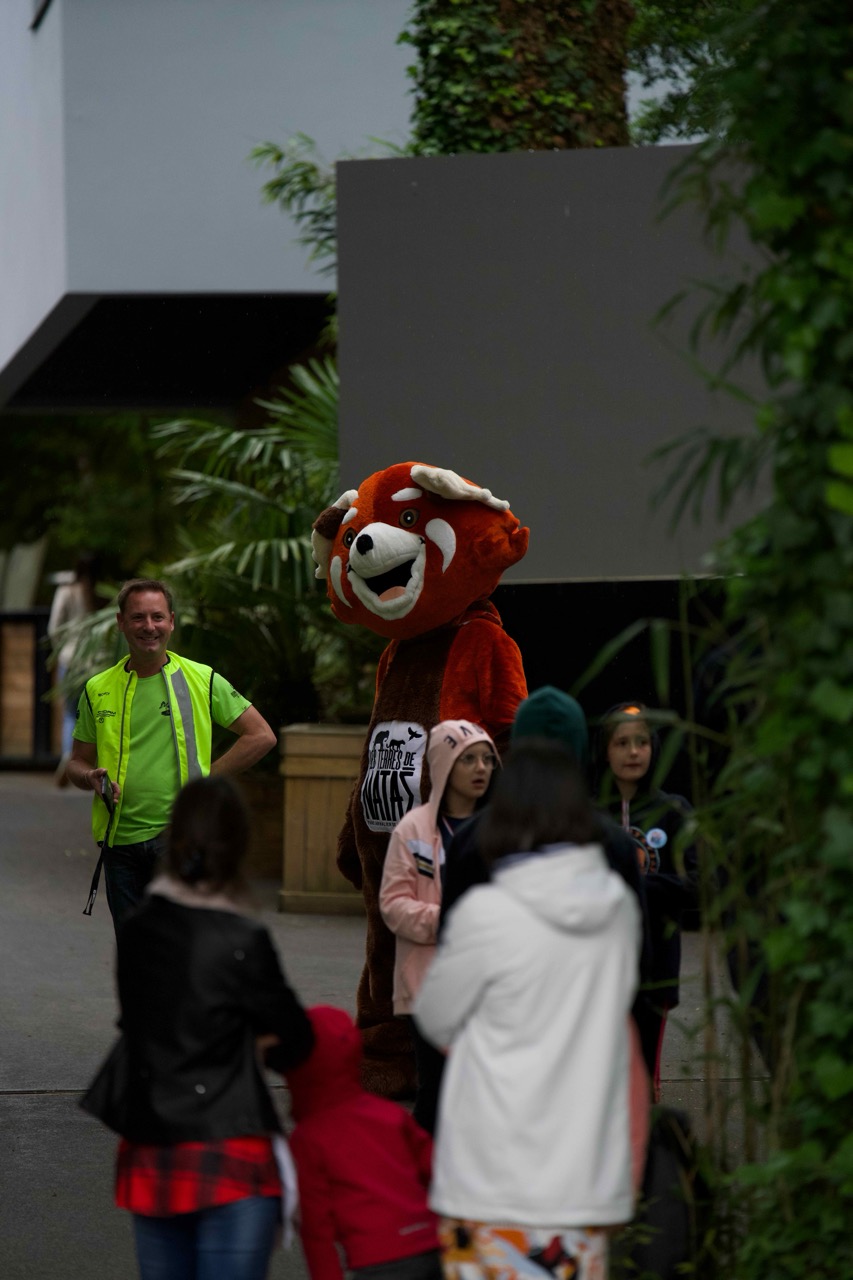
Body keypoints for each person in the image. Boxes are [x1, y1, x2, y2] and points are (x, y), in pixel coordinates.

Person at [414, 739, 646, 1280]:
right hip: (582, 1175)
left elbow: (435, 1017)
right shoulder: (615, 910)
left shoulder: (486, 912)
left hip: (488, 1174)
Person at [81, 775, 314, 1280]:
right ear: (238, 847)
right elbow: (296, 1041)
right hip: (232, 1150)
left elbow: (142, 1017)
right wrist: (248, 1037)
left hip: (152, 1150)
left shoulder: (139, 928)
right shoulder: (243, 937)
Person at [66, 578, 277, 933]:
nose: (149, 626)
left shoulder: (202, 679)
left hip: (180, 839)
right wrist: (89, 777)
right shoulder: (97, 688)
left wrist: (205, 781)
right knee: (135, 950)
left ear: (172, 622)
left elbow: (261, 736)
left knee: (179, 945)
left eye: (158, 617)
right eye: (138, 617)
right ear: (121, 623)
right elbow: (76, 762)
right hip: (119, 845)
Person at [379, 720, 499, 1133]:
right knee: (435, 1096)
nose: (481, 768)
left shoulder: (501, 830)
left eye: (487, 759)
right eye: (468, 759)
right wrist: (447, 922)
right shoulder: (412, 829)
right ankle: (420, 1167)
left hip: (488, 987)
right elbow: (393, 905)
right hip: (428, 988)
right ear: (443, 764)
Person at [285, 1004, 443, 1280]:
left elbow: (316, 1226)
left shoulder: (308, 1137)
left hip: (375, 1258)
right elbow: (436, 1168)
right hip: (429, 1240)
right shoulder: (390, 1114)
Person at [594, 701, 698, 1099]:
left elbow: (698, 884)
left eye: (641, 742)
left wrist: (636, 886)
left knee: (641, 1084)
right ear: (605, 751)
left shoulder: (673, 812)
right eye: (621, 743)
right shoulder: (589, 813)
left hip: (656, 965)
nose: (633, 752)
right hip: (597, 965)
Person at [47, 553, 99, 785]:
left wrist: (61, 650)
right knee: (95, 713)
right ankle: (91, 760)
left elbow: (54, 627)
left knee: (70, 713)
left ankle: (69, 755)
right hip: (97, 662)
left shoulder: (67, 591)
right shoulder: (101, 593)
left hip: (71, 659)